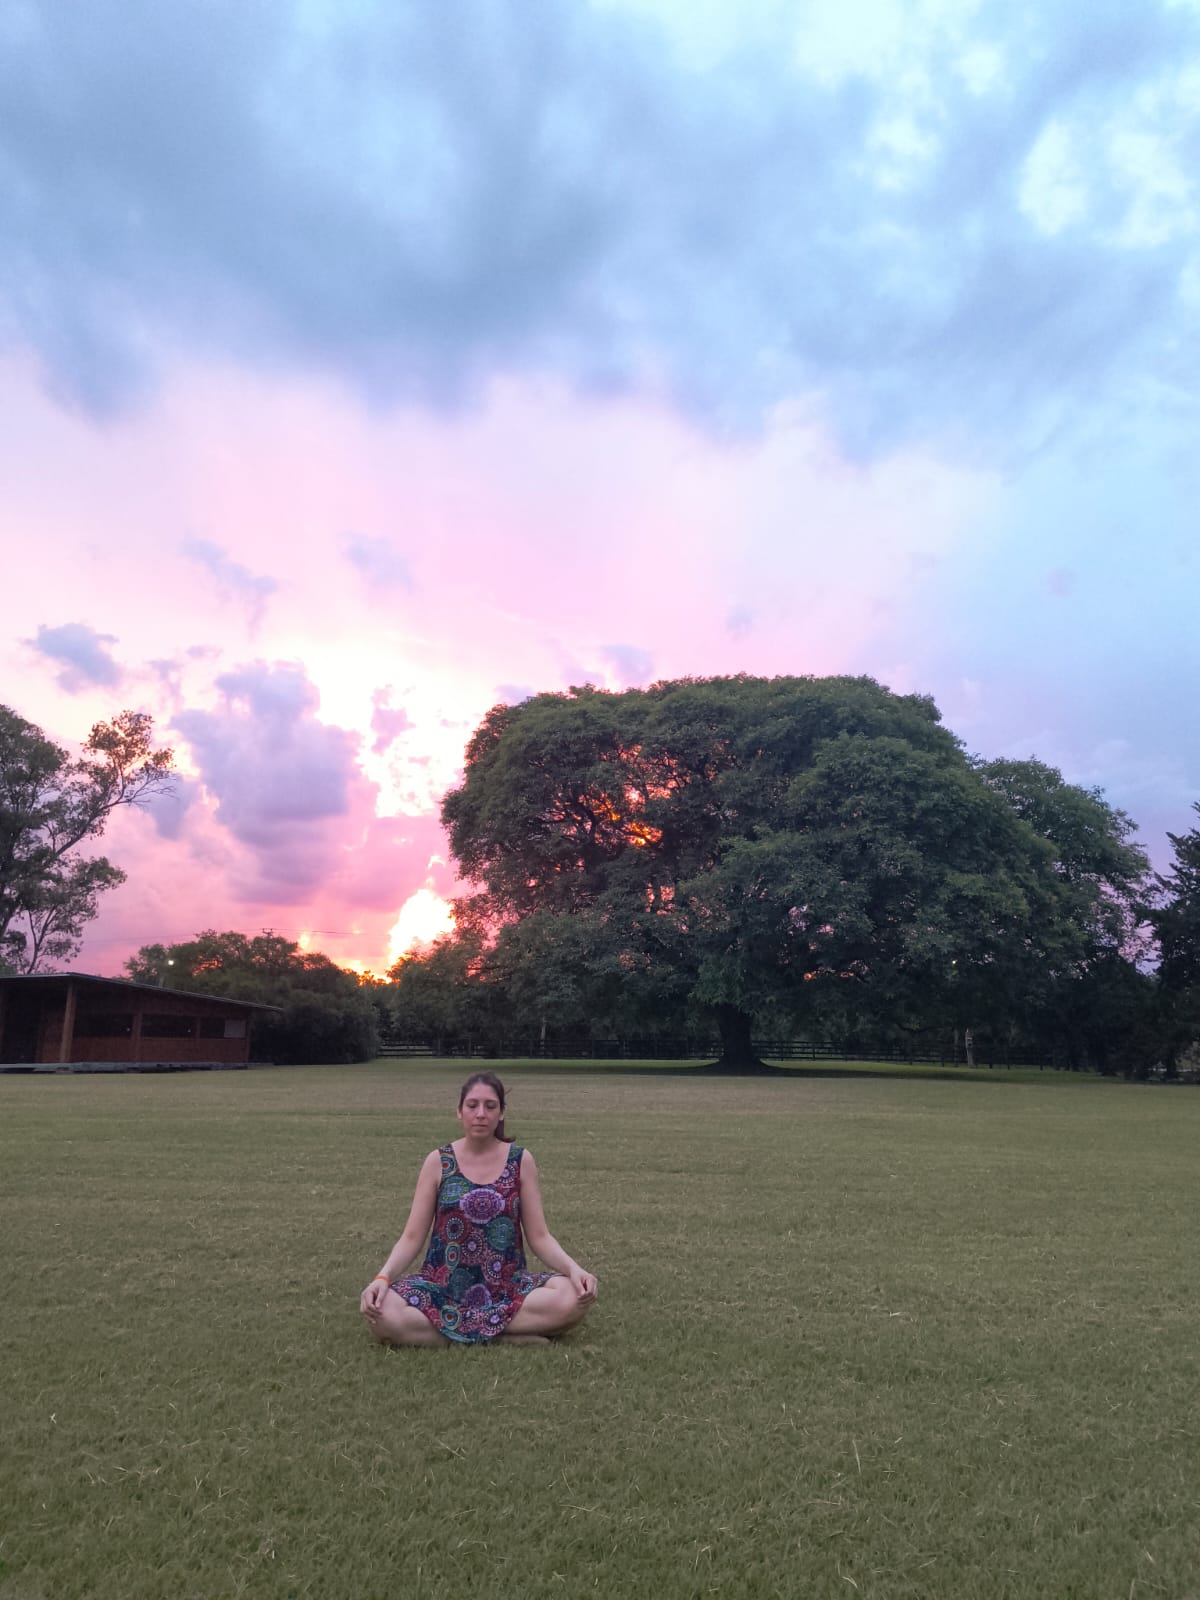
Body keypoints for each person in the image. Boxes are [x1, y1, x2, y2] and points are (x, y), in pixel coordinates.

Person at [359, 1071, 598, 1346]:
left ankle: (453, 1334)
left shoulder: (520, 1161)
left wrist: (575, 1269)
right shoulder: (438, 1162)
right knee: (382, 1313)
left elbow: (540, 1237)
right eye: (472, 1106)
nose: (481, 1114)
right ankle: (504, 1336)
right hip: (443, 1291)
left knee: (571, 1296)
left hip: (507, 1289)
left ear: (502, 1113)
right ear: (459, 1112)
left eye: (490, 1106)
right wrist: (382, 1277)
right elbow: (412, 1237)